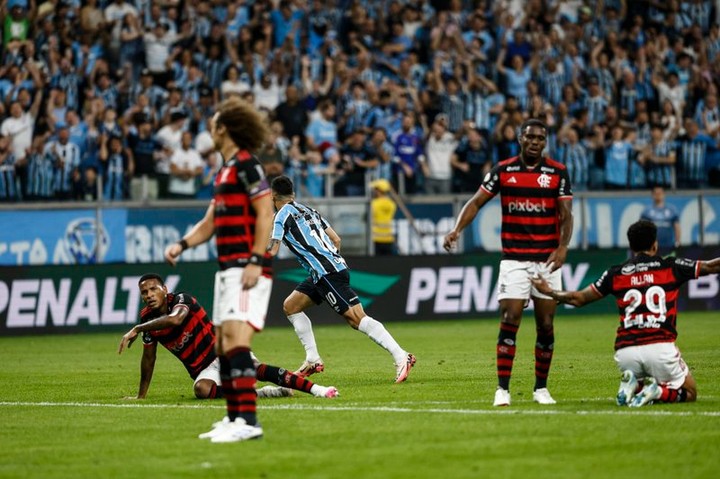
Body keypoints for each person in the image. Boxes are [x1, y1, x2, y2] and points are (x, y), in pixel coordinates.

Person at [163, 97, 274, 443]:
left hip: (246, 267)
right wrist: (182, 244)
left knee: (238, 342)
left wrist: (256, 259)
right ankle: (233, 417)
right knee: (224, 345)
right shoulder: (224, 170)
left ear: (224, 128)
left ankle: (248, 422)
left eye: (213, 123)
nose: (209, 129)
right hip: (227, 270)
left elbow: (266, 214)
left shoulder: (246, 165)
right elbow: (210, 221)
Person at [443, 119, 574, 407]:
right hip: (514, 259)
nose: (535, 142)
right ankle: (502, 389)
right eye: (530, 137)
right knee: (510, 317)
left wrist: (563, 247)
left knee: (546, 324)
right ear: (520, 139)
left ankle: (541, 388)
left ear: (545, 142)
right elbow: (476, 201)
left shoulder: (557, 172)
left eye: (540, 138)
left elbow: (566, 215)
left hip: (547, 260)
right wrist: (457, 230)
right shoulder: (504, 170)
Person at [531, 220, 720, 407]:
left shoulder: (616, 273)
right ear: (655, 245)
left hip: (626, 354)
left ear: (630, 246)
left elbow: (578, 298)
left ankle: (633, 385)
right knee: (690, 391)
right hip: (660, 348)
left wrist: (550, 292)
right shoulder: (671, 267)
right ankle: (658, 391)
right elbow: (711, 266)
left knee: (643, 375)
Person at [267, 175, 416, 383]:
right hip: (327, 271)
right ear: (292, 193)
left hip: (327, 273)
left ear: (273, 196)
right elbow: (336, 239)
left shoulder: (281, 215)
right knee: (291, 306)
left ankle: (401, 356)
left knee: (356, 319)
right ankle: (313, 359)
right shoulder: (310, 211)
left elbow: (272, 249)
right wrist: (331, 260)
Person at [118, 274, 339, 400]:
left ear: (164, 289)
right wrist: (141, 396)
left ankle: (318, 390)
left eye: (153, 289)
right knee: (201, 390)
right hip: (203, 369)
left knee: (255, 369)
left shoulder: (182, 300)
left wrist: (138, 328)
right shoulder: (148, 321)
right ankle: (263, 394)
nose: (149, 295)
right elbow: (149, 359)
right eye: (144, 293)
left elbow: (176, 319)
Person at [640, 186, 681, 256]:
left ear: (664, 194)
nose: (658, 195)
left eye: (660, 193)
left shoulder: (672, 210)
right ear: (652, 195)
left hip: (669, 246)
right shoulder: (646, 211)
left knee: (669, 265)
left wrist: (677, 241)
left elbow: (677, 227)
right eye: (656, 193)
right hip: (652, 247)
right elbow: (643, 228)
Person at [370, 178, 397, 256]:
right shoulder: (391, 204)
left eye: (375, 189)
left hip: (376, 239)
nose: (374, 191)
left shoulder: (374, 204)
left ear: (379, 190)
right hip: (388, 238)